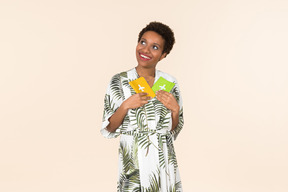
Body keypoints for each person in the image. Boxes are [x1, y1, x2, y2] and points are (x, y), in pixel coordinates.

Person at [101, 21, 184, 192]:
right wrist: (125, 106)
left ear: (163, 55)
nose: (145, 50)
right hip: (134, 161)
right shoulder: (120, 81)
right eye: (143, 42)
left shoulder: (169, 82)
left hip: (163, 161)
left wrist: (175, 110)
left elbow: (172, 130)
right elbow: (109, 127)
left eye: (155, 47)